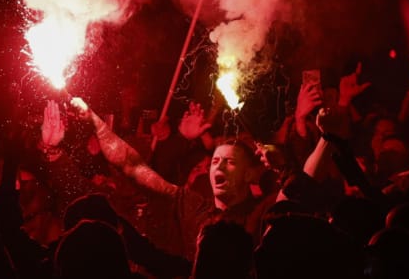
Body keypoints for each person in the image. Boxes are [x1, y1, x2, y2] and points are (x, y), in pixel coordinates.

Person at [68, 97, 272, 258]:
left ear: (248, 174)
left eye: (230, 162)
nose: (219, 166)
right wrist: (95, 122)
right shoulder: (193, 208)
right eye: (216, 161)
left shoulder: (263, 216)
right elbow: (133, 167)